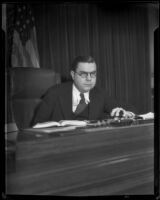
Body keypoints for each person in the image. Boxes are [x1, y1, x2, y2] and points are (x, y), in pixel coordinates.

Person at [32, 56, 136, 125]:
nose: (89, 78)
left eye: (93, 74)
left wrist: (125, 112)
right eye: (83, 74)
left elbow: (129, 108)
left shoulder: (99, 94)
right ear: (73, 75)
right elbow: (36, 126)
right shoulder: (54, 93)